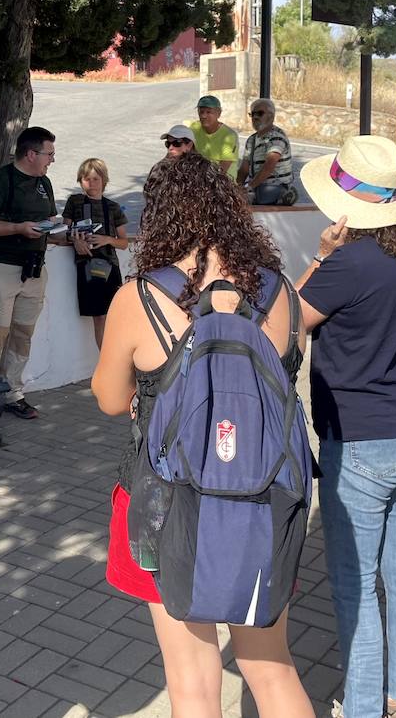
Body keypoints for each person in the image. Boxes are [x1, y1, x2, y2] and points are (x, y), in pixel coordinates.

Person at [91, 152, 313, 718]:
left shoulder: (140, 297)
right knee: (271, 666)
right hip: (263, 499)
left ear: (161, 217)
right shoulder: (281, 292)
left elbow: (111, 400)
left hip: (167, 502)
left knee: (191, 680)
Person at [295, 135, 396, 718]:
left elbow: (286, 322)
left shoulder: (347, 265)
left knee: (355, 581)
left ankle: (361, 707)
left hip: (360, 437)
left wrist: (319, 257)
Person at [0, 126, 58, 420]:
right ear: (31, 154)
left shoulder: (44, 183)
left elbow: (50, 220)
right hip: (0, 267)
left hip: (34, 269)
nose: (52, 160)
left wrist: (64, 230)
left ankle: (12, 393)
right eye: (49, 154)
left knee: (23, 333)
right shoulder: (0, 180)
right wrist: (18, 228)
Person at [62, 158, 128, 348]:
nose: (91, 183)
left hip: (110, 266)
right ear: (80, 180)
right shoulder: (75, 202)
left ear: (104, 180)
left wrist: (107, 239)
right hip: (87, 267)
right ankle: (105, 359)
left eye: (95, 179)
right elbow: (63, 231)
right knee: (99, 317)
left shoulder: (113, 207)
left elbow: (124, 242)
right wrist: (75, 240)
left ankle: (115, 358)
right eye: (86, 179)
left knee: (113, 316)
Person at [237, 98, 296, 206]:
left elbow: (269, 166)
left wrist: (248, 187)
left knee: (239, 202)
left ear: (271, 116)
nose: (255, 117)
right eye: (252, 114)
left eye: (260, 113)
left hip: (275, 186)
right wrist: (237, 188)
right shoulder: (251, 140)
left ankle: (283, 195)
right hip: (257, 188)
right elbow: (244, 169)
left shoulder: (277, 137)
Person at [188, 94, 238, 175]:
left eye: (209, 112)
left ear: (219, 113)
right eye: (201, 112)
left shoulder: (229, 136)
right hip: (199, 175)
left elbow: (222, 169)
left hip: (222, 179)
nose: (203, 116)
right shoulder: (194, 127)